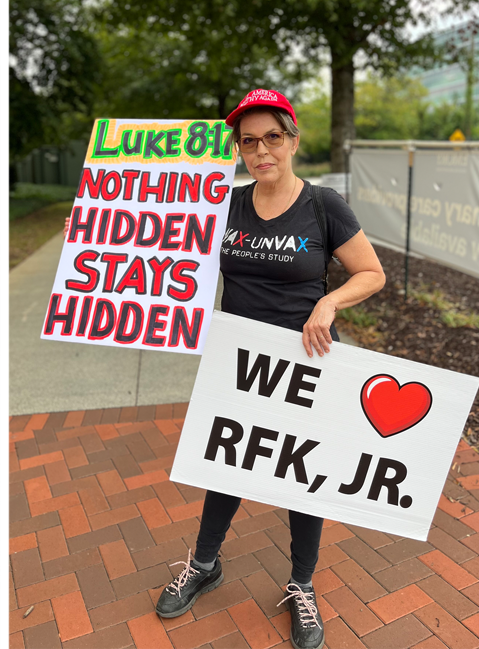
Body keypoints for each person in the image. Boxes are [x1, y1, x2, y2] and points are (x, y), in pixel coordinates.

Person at [155, 90, 385, 649]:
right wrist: (97, 226)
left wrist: (328, 304)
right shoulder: (224, 204)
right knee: (227, 463)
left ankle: (302, 585)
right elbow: (159, 243)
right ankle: (205, 565)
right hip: (236, 362)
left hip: (304, 363)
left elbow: (371, 273)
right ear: (238, 149)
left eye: (272, 137)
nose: (261, 150)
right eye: (249, 141)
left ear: (292, 140)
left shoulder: (323, 206)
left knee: (302, 476)